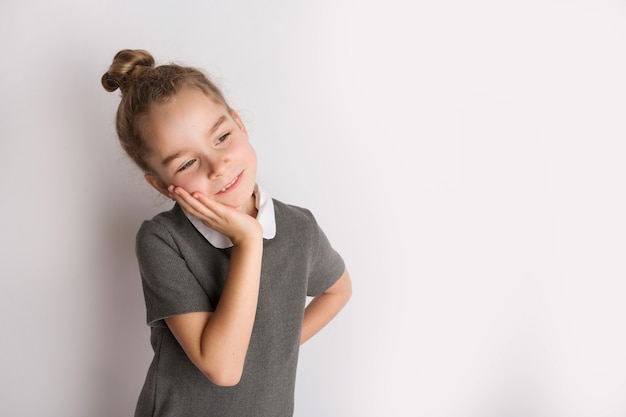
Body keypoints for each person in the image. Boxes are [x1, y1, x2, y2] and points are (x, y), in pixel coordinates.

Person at [101, 49, 352, 417]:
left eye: (221, 137)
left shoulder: (299, 228)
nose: (218, 165)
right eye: (187, 163)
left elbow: (338, 290)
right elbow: (222, 367)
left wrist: (275, 348)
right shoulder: (163, 241)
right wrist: (248, 241)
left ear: (240, 123)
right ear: (161, 185)